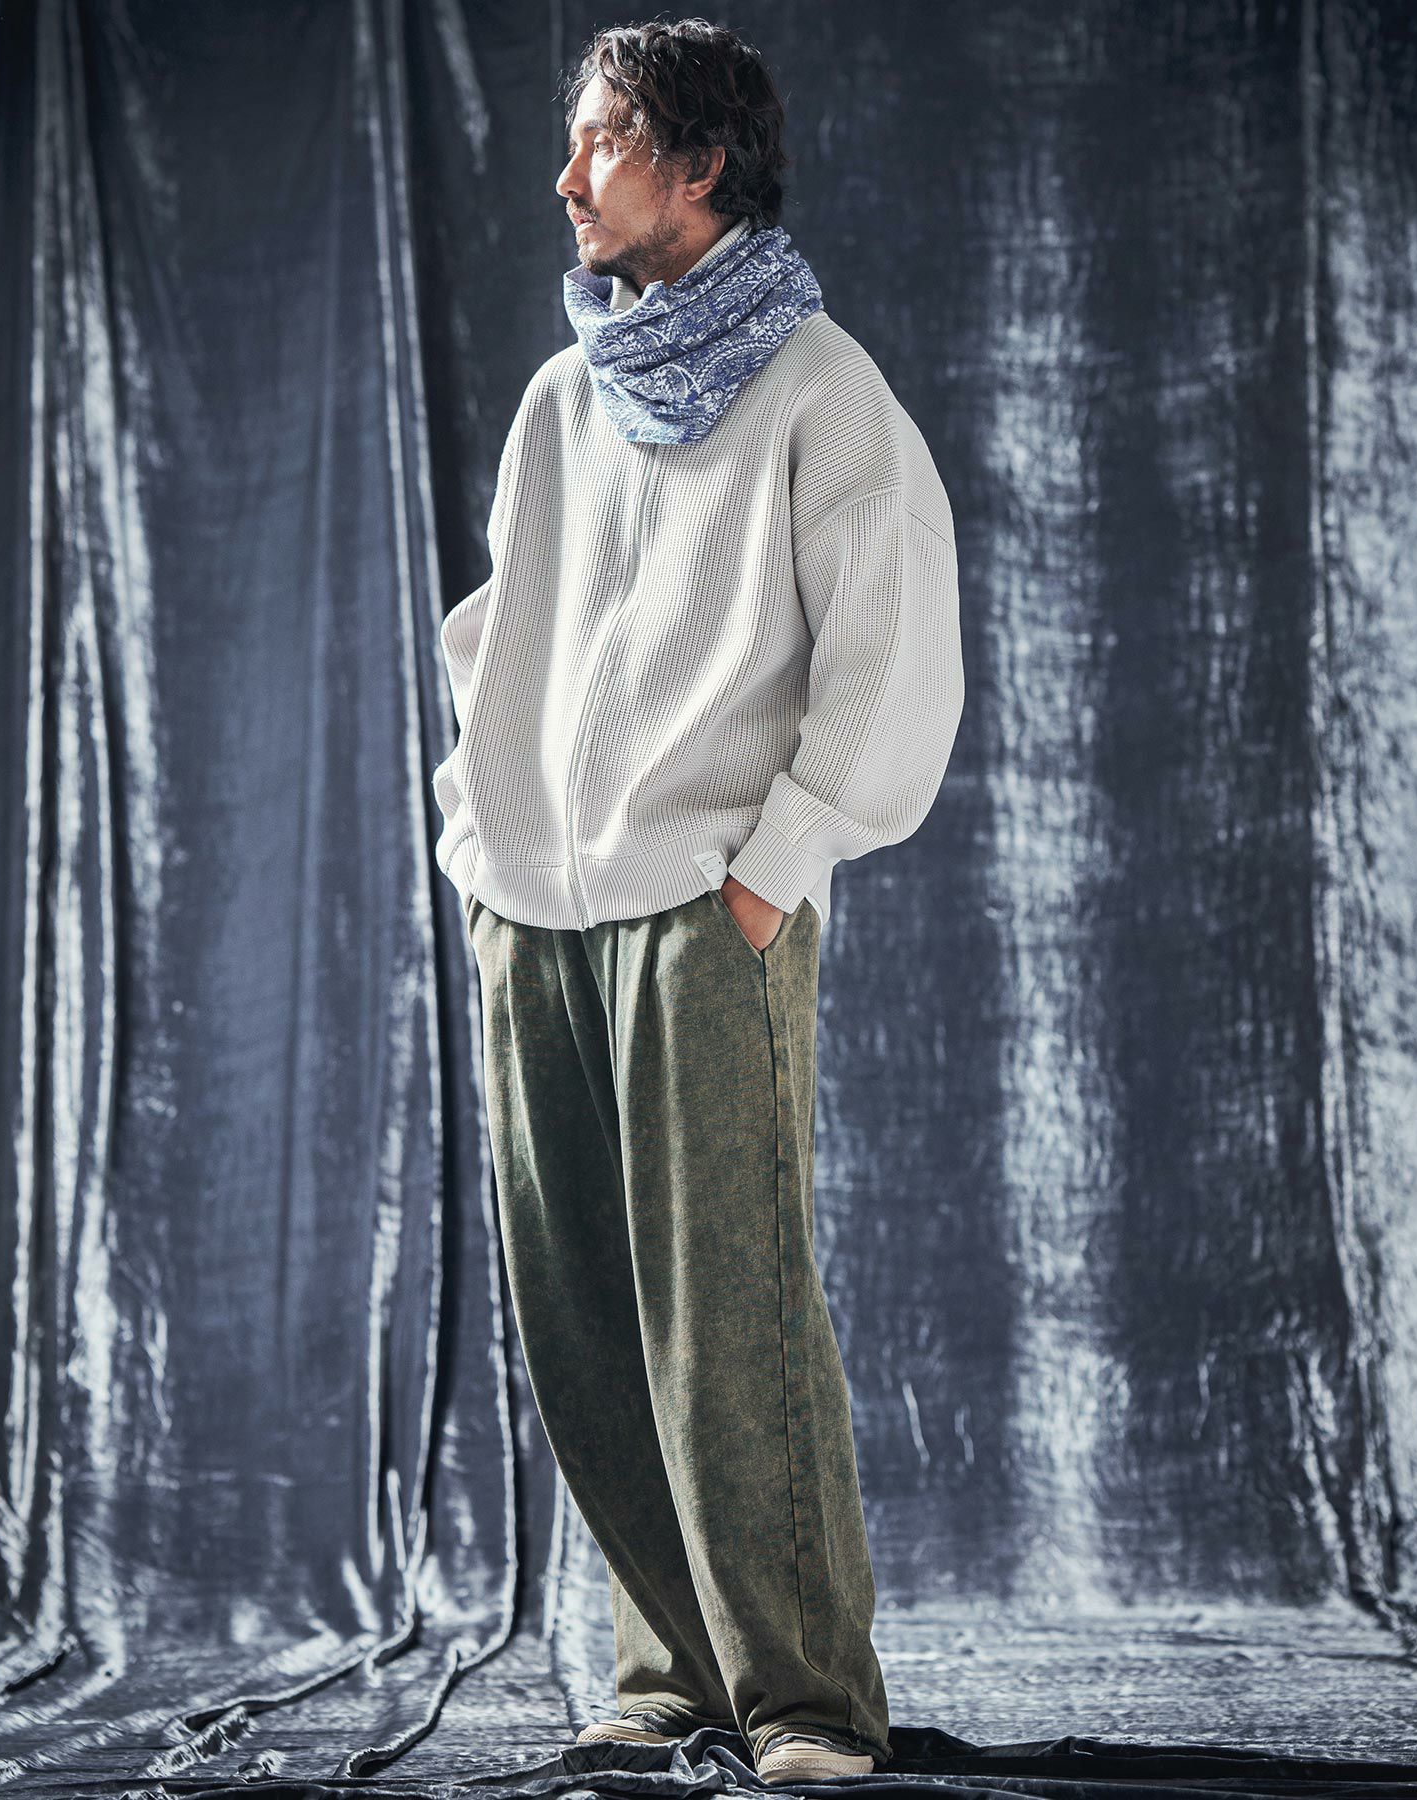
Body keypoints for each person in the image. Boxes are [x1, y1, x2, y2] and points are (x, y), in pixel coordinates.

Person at [431, 17, 964, 1787]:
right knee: (583, 1314)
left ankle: (805, 1699)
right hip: (536, 915)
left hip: (705, 911)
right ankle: (669, 1672)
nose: (567, 176)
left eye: (602, 141)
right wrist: (482, 837)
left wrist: (771, 875)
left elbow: (889, 652)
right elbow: (500, 640)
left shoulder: (819, 389)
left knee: (730, 1315)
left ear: (701, 163)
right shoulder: (564, 400)